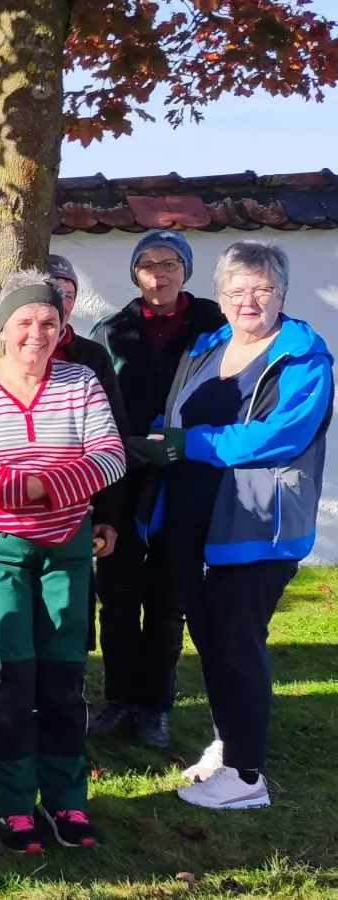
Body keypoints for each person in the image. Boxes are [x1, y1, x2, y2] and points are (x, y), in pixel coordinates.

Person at [133, 241, 333, 810]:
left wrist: (188, 444)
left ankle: (246, 779)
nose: (249, 302)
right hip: (193, 523)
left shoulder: (302, 357)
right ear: (219, 298)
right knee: (210, 638)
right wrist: (155, 437)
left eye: (262, 290)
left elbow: (281, 436)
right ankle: (230, 743)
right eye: (237, 291)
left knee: (237, 644)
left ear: (283, 295)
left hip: (253, 528)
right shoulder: (209, 344)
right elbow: (176, 413)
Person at [0, 272, 125, 854]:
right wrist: (36, 492)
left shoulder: (82, 382)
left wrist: (43, 490)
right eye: (24, 322)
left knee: (63, 674)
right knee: (7, 673)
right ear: (1, 330)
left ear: (62, 327)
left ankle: (68, 799)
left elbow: (110, 455)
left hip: (66, 546)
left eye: (48, 323)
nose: (36, 333)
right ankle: (15, 804)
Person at [88, 231, 226, 749]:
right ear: (134, 273)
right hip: (123, 482)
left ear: (185, 271)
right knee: (118, 595)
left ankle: (155, 706)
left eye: (170, 263)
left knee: (169, 598)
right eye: (147, 264)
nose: (159, 273)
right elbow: (95, 407)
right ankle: (119, 699)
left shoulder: (215, 326)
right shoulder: (112, 331)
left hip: (187, 478)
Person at [44, 254, 130, 650]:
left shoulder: (92, 358)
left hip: (79, 507)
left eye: (68, 294)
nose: (61, 302)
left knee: (70, 619)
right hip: (13, 511)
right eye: (52, 292)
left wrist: (108, 515)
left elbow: (114, 439)